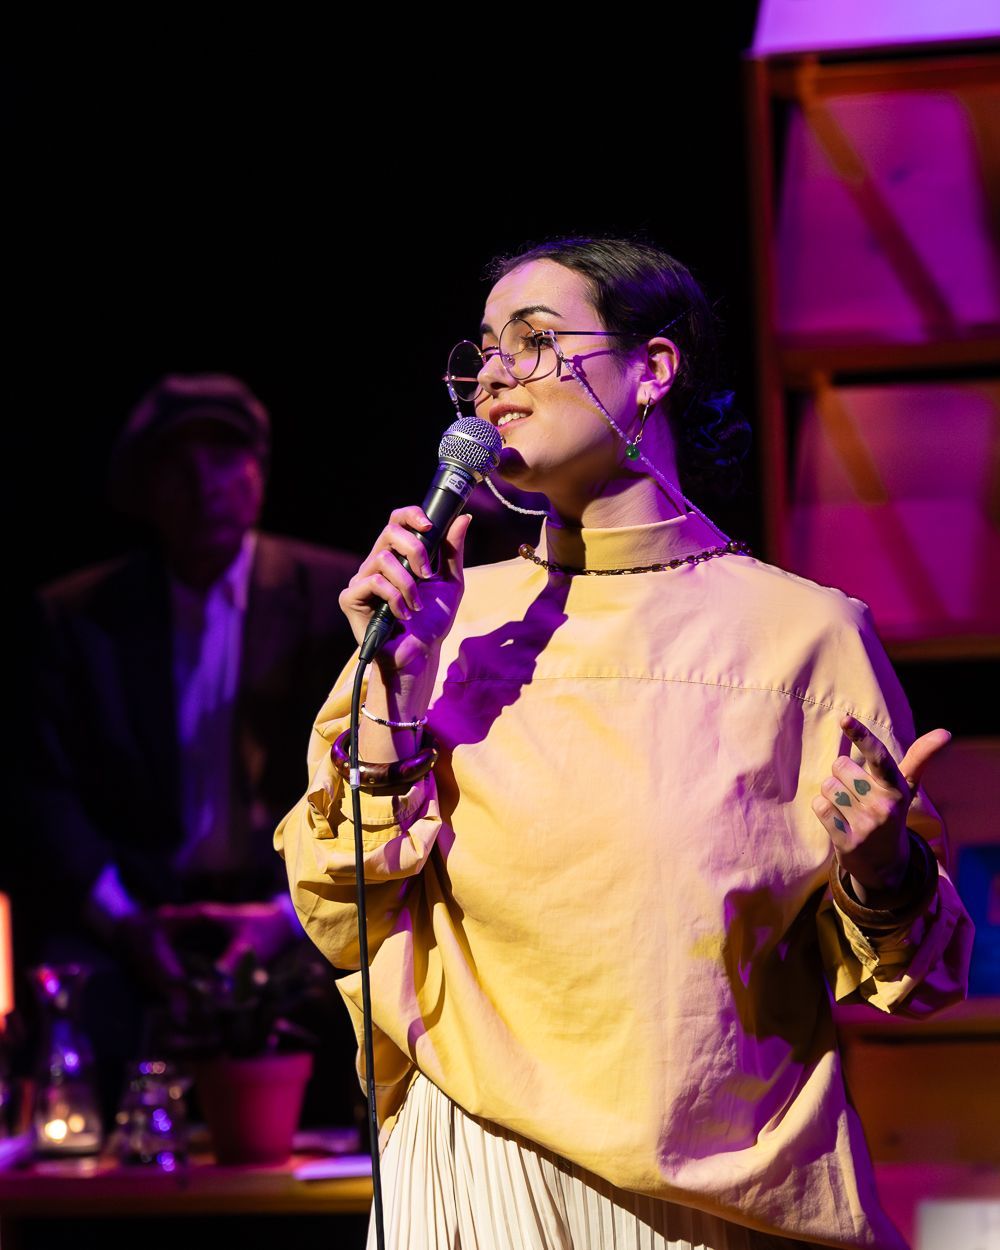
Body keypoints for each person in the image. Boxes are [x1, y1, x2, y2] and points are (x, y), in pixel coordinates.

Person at [275, 239, 974, 1249]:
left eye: (534, 341)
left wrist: (882, 867)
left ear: (653, 367)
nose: (495, 377)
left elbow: (918, 977)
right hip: (474, 1164)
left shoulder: (802, 637)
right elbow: (341, 906)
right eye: (484, 350)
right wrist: (395, 686)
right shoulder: (443, 620)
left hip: (708, 1188)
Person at [22, 373, 360, 1120]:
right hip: (139, 908)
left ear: (260, 472)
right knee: (76, 991)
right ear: (143, 488)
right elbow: (43, 790)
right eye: (179, 463)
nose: (205, 483)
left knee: (364, 979)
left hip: (288, 899)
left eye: (225, 456)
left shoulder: (338, 596)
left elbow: (367, 770)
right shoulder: (76, 616)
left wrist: (287, 913)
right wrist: (125, 922)